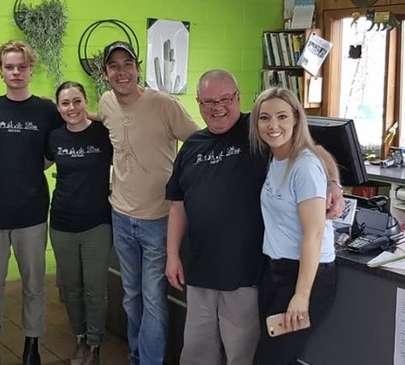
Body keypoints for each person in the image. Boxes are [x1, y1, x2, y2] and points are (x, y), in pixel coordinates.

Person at [165, 69, 343, 365]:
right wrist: (172, 254)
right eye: (208, 101)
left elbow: (314, 149)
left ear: (238, 98)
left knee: (244, 355)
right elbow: (177, 205)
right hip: (201, 269)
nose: (217, 107)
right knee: (196, 353)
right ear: (198, 103)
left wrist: (333, 183)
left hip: (245, 274)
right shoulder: (192, 146)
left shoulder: (259, 130)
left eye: (225, 98)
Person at [98, 40, 200, 365]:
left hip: (158, 219)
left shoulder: (163, 104)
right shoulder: (105, 103)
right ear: (106, 73)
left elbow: (198, 140)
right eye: (114, 66)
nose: (122, 71)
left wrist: (187, 182)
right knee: (131, 298)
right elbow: (104, 124)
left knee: (154, 300)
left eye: (127, 64)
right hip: (120, 216)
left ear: (138, 68)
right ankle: (136, 356)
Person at [0, 40, 63, 365]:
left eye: (22, 66)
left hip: (32, 211)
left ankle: (32, 346)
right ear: (1, 71)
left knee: (34, 286)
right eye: (9, 66)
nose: (16, 72)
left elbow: (63, 140)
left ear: (30, 69)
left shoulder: (47, 110)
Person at [249, 87, 337, 364]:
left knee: (270, 359)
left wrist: (301, 295)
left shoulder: (305, 166)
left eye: (282, 117)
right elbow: (320, 148)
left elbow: (314, 234)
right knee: (280, 356)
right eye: (265, 118)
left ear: (297, 120)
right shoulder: (276, 158)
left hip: (303, 275)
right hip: (273, 270)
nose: (273, 125)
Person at [45, 81, 113, 365]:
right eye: (65, 103)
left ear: (86, 102)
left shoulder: (104, 134)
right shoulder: (55, 137)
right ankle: (80, 338)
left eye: (76, 101)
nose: (71, 108)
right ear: (58, 107)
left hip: (97, 222)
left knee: (95, 286)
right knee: (70, 286)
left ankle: (95, 343)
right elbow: (38, 165)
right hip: (61, 222)